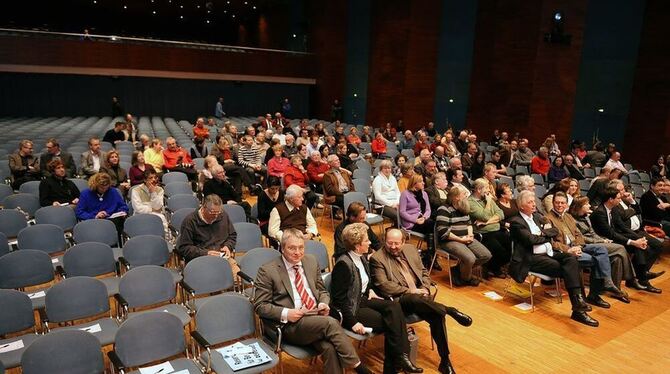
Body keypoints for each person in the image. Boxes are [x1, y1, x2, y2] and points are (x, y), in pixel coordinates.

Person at [253, 229, 372, 374]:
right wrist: (287, 313)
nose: (297, 252)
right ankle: (359, 367)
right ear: (282, 248)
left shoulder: (310, 261)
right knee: (330, 323)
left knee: (330, 348)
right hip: (291, 325)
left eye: (301, 247)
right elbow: (260, 306)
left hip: (315, 318)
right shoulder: (268, 271)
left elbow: (322, 291)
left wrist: (323, 303)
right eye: (292, 248)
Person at [370, 229, 472, 374]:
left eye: (397, 244)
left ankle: (445, 360)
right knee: (416, 299)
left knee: (437, 316)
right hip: (400, 301)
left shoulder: (411, 250)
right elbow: (384, 285)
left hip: (422, 298)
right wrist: (413, 291)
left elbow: (424, 272)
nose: (393, 247)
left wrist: (424, 288)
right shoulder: (377, 258)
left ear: (403, 242)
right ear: (384, 241)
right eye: (389, 243)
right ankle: (449, 310)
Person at [331, 223, 423, 374]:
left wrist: (370, 290)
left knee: (395, 307)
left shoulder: (361, 258)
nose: (370, 243)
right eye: (366, 240)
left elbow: (363, 282)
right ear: (357, 245)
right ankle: (397, 362)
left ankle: (400, 359)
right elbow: (339, 300)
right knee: (392, 322)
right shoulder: (343, 264)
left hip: (362, 299)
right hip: (352, 309)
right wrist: (352, 323)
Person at [508, 190, 599, 327]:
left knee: (571, 259)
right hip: (531, 258)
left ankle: (579, 304)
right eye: (530, 202)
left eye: (534, 201)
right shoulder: (516, 222)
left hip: (549, 252)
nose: (534, 204)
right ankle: (579, 307)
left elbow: (554, 231)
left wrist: (541, 234)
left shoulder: (538, 217)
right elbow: (531, 240)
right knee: (569, 268)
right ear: (521, 206)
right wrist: (544, 234)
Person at [545, 192, 626, 307]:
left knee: (601, 250)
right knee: (595, 260)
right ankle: (594, 295)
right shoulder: (547, 218)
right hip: (565, 251)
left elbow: (578, 235)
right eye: (557, 203)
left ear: (566, 204)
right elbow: (551, 242)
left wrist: (578, 245)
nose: (559, 205)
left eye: (562, 203)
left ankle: (607, 282)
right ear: (553, 203)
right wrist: (569, 249)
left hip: (578, 246)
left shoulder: (568, 216)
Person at [590, 186, 663, 293]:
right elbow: (611, 234)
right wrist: (633, 242)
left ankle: (640, 276)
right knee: (637, 246)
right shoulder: (600, 213)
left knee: (641, 246)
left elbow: (621, 226)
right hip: (604, 240)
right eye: (618, 198)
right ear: (611, 199)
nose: (620, 200)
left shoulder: (612, 208)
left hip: (614, 236)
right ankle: (640, 276)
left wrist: (638, 238)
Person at [569, 196, 634, 301]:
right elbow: (581, 237)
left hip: (597, 243)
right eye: (587, 204)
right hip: (585, 245)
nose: (589, 205)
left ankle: (615, 290)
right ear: (580, 206)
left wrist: (603, 240)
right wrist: (600, 241)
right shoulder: (571, 219)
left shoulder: (586, 217)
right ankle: (632, 279)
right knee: (621, 248)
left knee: (617, 258)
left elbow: (592, 233)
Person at [435, 186, 492, 286]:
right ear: (456, 197)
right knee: (470, 258)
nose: (467, 196)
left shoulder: (464, 207)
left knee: (486, 255)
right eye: (464, 194)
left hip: (466, 237)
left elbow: (469, 224)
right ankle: (466, 278)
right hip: (449, 240)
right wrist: (461, 240)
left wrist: (470, 235)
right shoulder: (444, 209)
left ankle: (458, 270)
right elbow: (443, 231)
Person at [468, 178, 510, 278]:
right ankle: (492, 268)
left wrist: (486, 222)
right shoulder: (470, 202)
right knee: (500, 251)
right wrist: (488, 204)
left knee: (512, 245)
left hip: (496, 229)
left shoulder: (487, 199)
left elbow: (501, 214)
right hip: (484, 233)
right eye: (486, 188)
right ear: (478, 190)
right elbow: (484, 215)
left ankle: (493, 267)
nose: (489, 190)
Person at [75, 172, 128, 243]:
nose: (104, 189)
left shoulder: (113, 191)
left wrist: (122, 212)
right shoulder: (85, 194)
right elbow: (79, 212)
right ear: (95, 185)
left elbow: (123, 206)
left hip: (113, 221)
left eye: (106, 187)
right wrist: (95, 216)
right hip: (94, 223)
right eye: (102, 188)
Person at [399, 174, 436, 268]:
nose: (423, 183)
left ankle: (430, 256)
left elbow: (428, 210)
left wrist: (424, 218)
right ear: (414, 183)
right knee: (432, 226)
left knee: (432, 226)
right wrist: (416, 220)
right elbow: (402, 212)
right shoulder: (405, 194)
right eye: (421, 181)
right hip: (411, 223)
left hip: (424, 221)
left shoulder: (424, 193)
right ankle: (431, 256)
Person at [130, 169, 168, 234]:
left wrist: (153, 193)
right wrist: (152, 209)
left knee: (161, 218)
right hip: (140, 215)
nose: (154, 180)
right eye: (151, 178)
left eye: (155, 177)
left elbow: (157, 206)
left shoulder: (160, 189)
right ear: (145, 180)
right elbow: (138, 208)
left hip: (157, 215)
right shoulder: (136, 190)